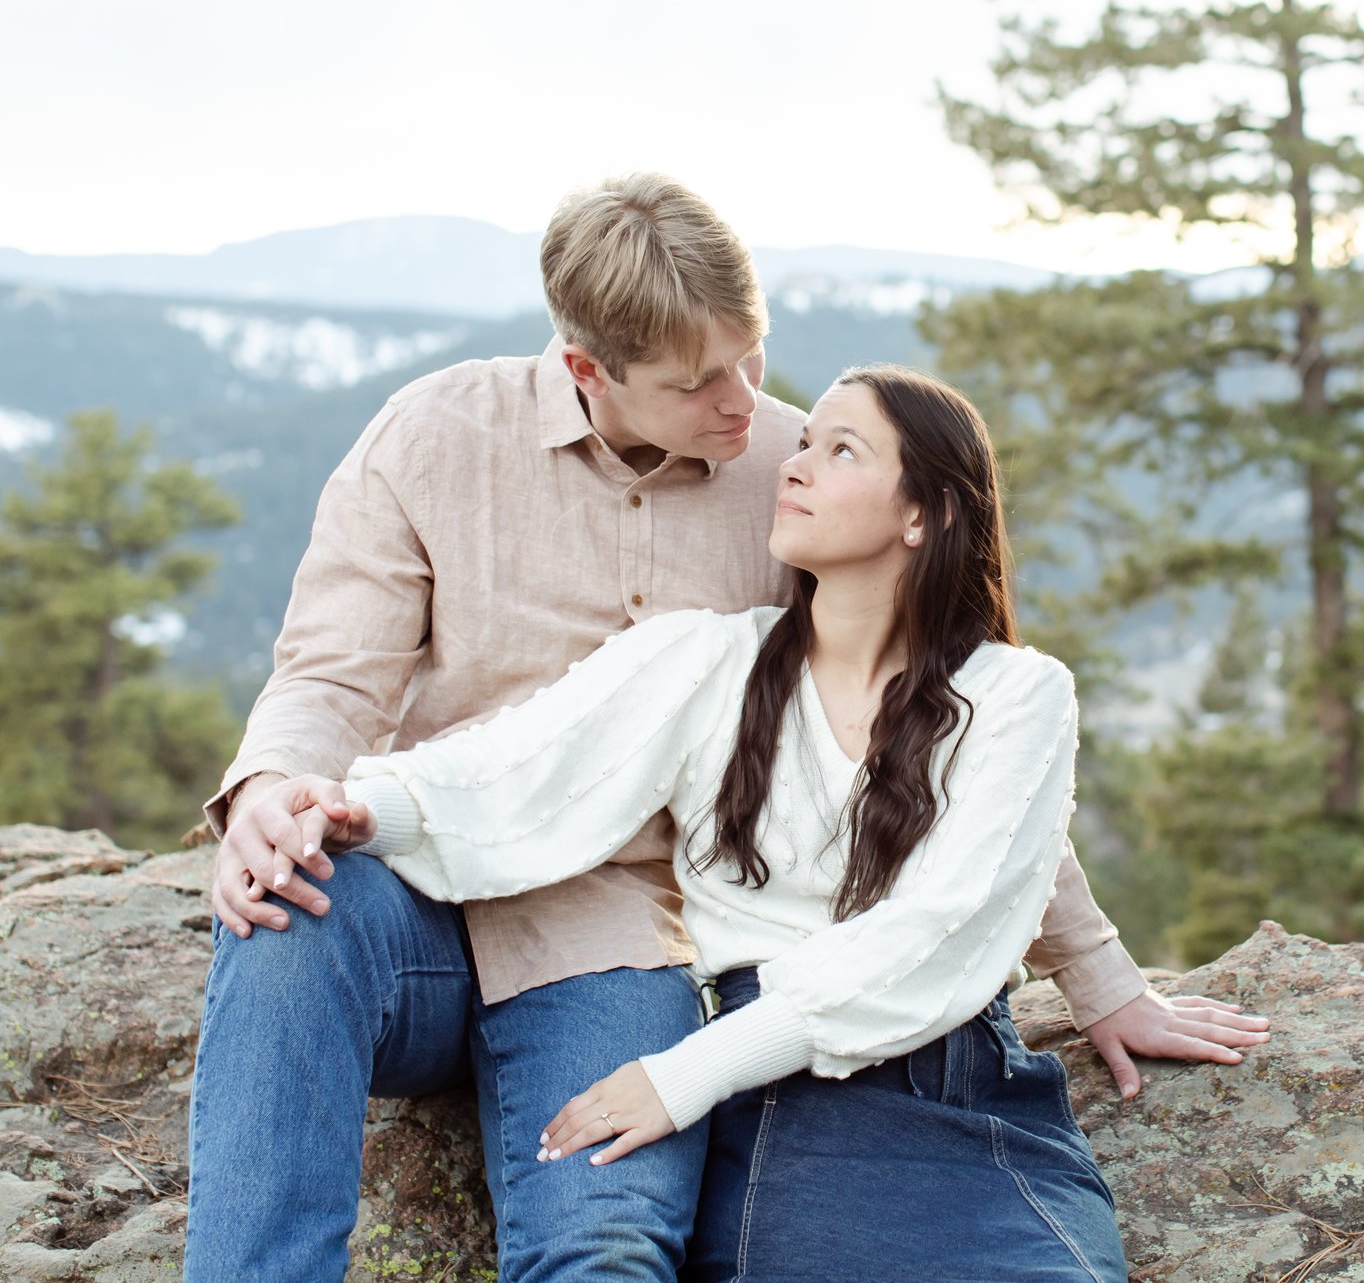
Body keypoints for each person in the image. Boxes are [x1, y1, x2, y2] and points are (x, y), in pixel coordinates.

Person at [187, 173, 1268, 1281]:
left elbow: (950, 745)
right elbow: (330, 671)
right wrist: (276, 790)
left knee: (599, 1247)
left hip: (611, 940)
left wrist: (1102, 983)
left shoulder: (797, 475)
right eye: (697, 382)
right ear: (585, 370)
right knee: (283, 906)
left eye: (750, 354)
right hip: (419, 887)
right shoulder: (436, 436)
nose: (744, 405)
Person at [300, 365, 1128, 1278]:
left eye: (840, 450)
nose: (795, 466)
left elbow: (953, 918)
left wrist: (681, 1074)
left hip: (971, 1092)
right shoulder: (709, 662)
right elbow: (517, 772)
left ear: (922, 514)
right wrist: (355, 807)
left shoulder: (1018, 694)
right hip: (785, 1098)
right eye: (803, 441)